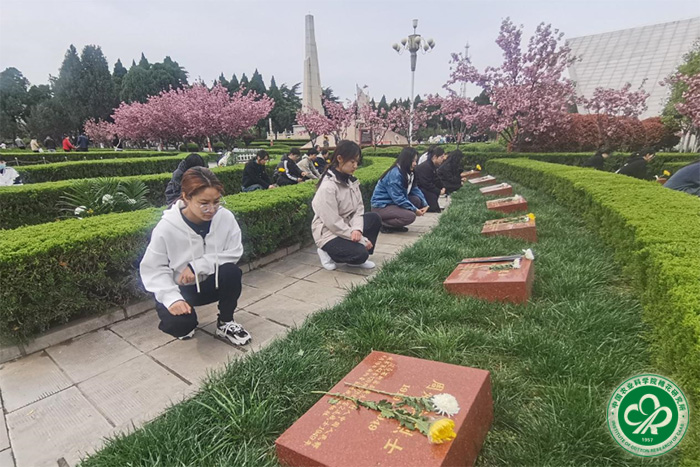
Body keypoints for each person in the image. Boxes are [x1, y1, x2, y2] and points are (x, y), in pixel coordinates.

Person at [140, 167, 251, 344]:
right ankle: (186, 322)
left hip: (211, 283)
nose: (211, 209)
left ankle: (226, 322)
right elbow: (153, 268)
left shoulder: (225, 218)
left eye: (216, 202)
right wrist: (172, 299)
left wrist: (197, 266)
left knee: (231, 272)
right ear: (186, 197)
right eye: (204, 203)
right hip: (181, 288)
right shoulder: (166, 227)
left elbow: (234, 251)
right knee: (180, 326)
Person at [312, 140, 381, 271]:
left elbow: (358, 209)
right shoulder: (328, 187)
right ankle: (326, 251)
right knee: (361, 253)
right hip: (329, 233)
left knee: (374, 218)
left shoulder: (351, 181)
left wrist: (357, 230)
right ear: (339, 159)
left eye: (357, 162)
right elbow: (333, 222)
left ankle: (356, 259)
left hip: (347, 226)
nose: (355, 166)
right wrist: (361, 240)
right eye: (352, 162)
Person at [371, 147, 429, 233]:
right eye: (413, 161)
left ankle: (396, 225)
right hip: (381, 206)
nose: (415, 164)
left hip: (392, 203)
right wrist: (415, 210)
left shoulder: (409, 172)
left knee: (416, 200)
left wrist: (425, 204)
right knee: (410, 216)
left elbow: (415, 189)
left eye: (416, 161)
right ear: (406, 160)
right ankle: (382, 224)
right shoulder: (395, 174)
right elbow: (398, 198)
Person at [415, 147, 447, 213]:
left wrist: (443, 187)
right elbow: (426, 183)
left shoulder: (432, 166)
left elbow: (436, 179)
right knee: (433, 203)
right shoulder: (426, 166)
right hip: (419, 189)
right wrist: (439, 191)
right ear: (435, 157)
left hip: (425, 188)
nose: (443, 159)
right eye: (441, 157)